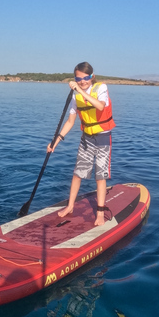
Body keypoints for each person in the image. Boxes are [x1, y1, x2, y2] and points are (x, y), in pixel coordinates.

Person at [47, 62, 115, 226]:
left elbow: (100, 106)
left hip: (103, 137)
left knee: (100, 176)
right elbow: (70, 122)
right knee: (78, 173)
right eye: (79, 78)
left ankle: (99, 213)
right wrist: (55, 141)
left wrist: (79, 90)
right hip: (87, 138)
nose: (83, 81)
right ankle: (70, 206)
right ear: (75, 78)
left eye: (86, 77)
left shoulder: (101, 88)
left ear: (91, 76)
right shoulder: (75, 96)